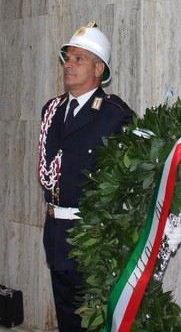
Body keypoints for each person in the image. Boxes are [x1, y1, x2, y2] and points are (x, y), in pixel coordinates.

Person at [38, 21, 134, 331]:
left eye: (79, 58)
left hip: (91, 236)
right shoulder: (51, 110)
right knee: (66, 318)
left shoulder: (115, 115)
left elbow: (127, 181)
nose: (69, 64)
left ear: (98, 68)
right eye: (67, 58)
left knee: (93, 320)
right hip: (55, 232)